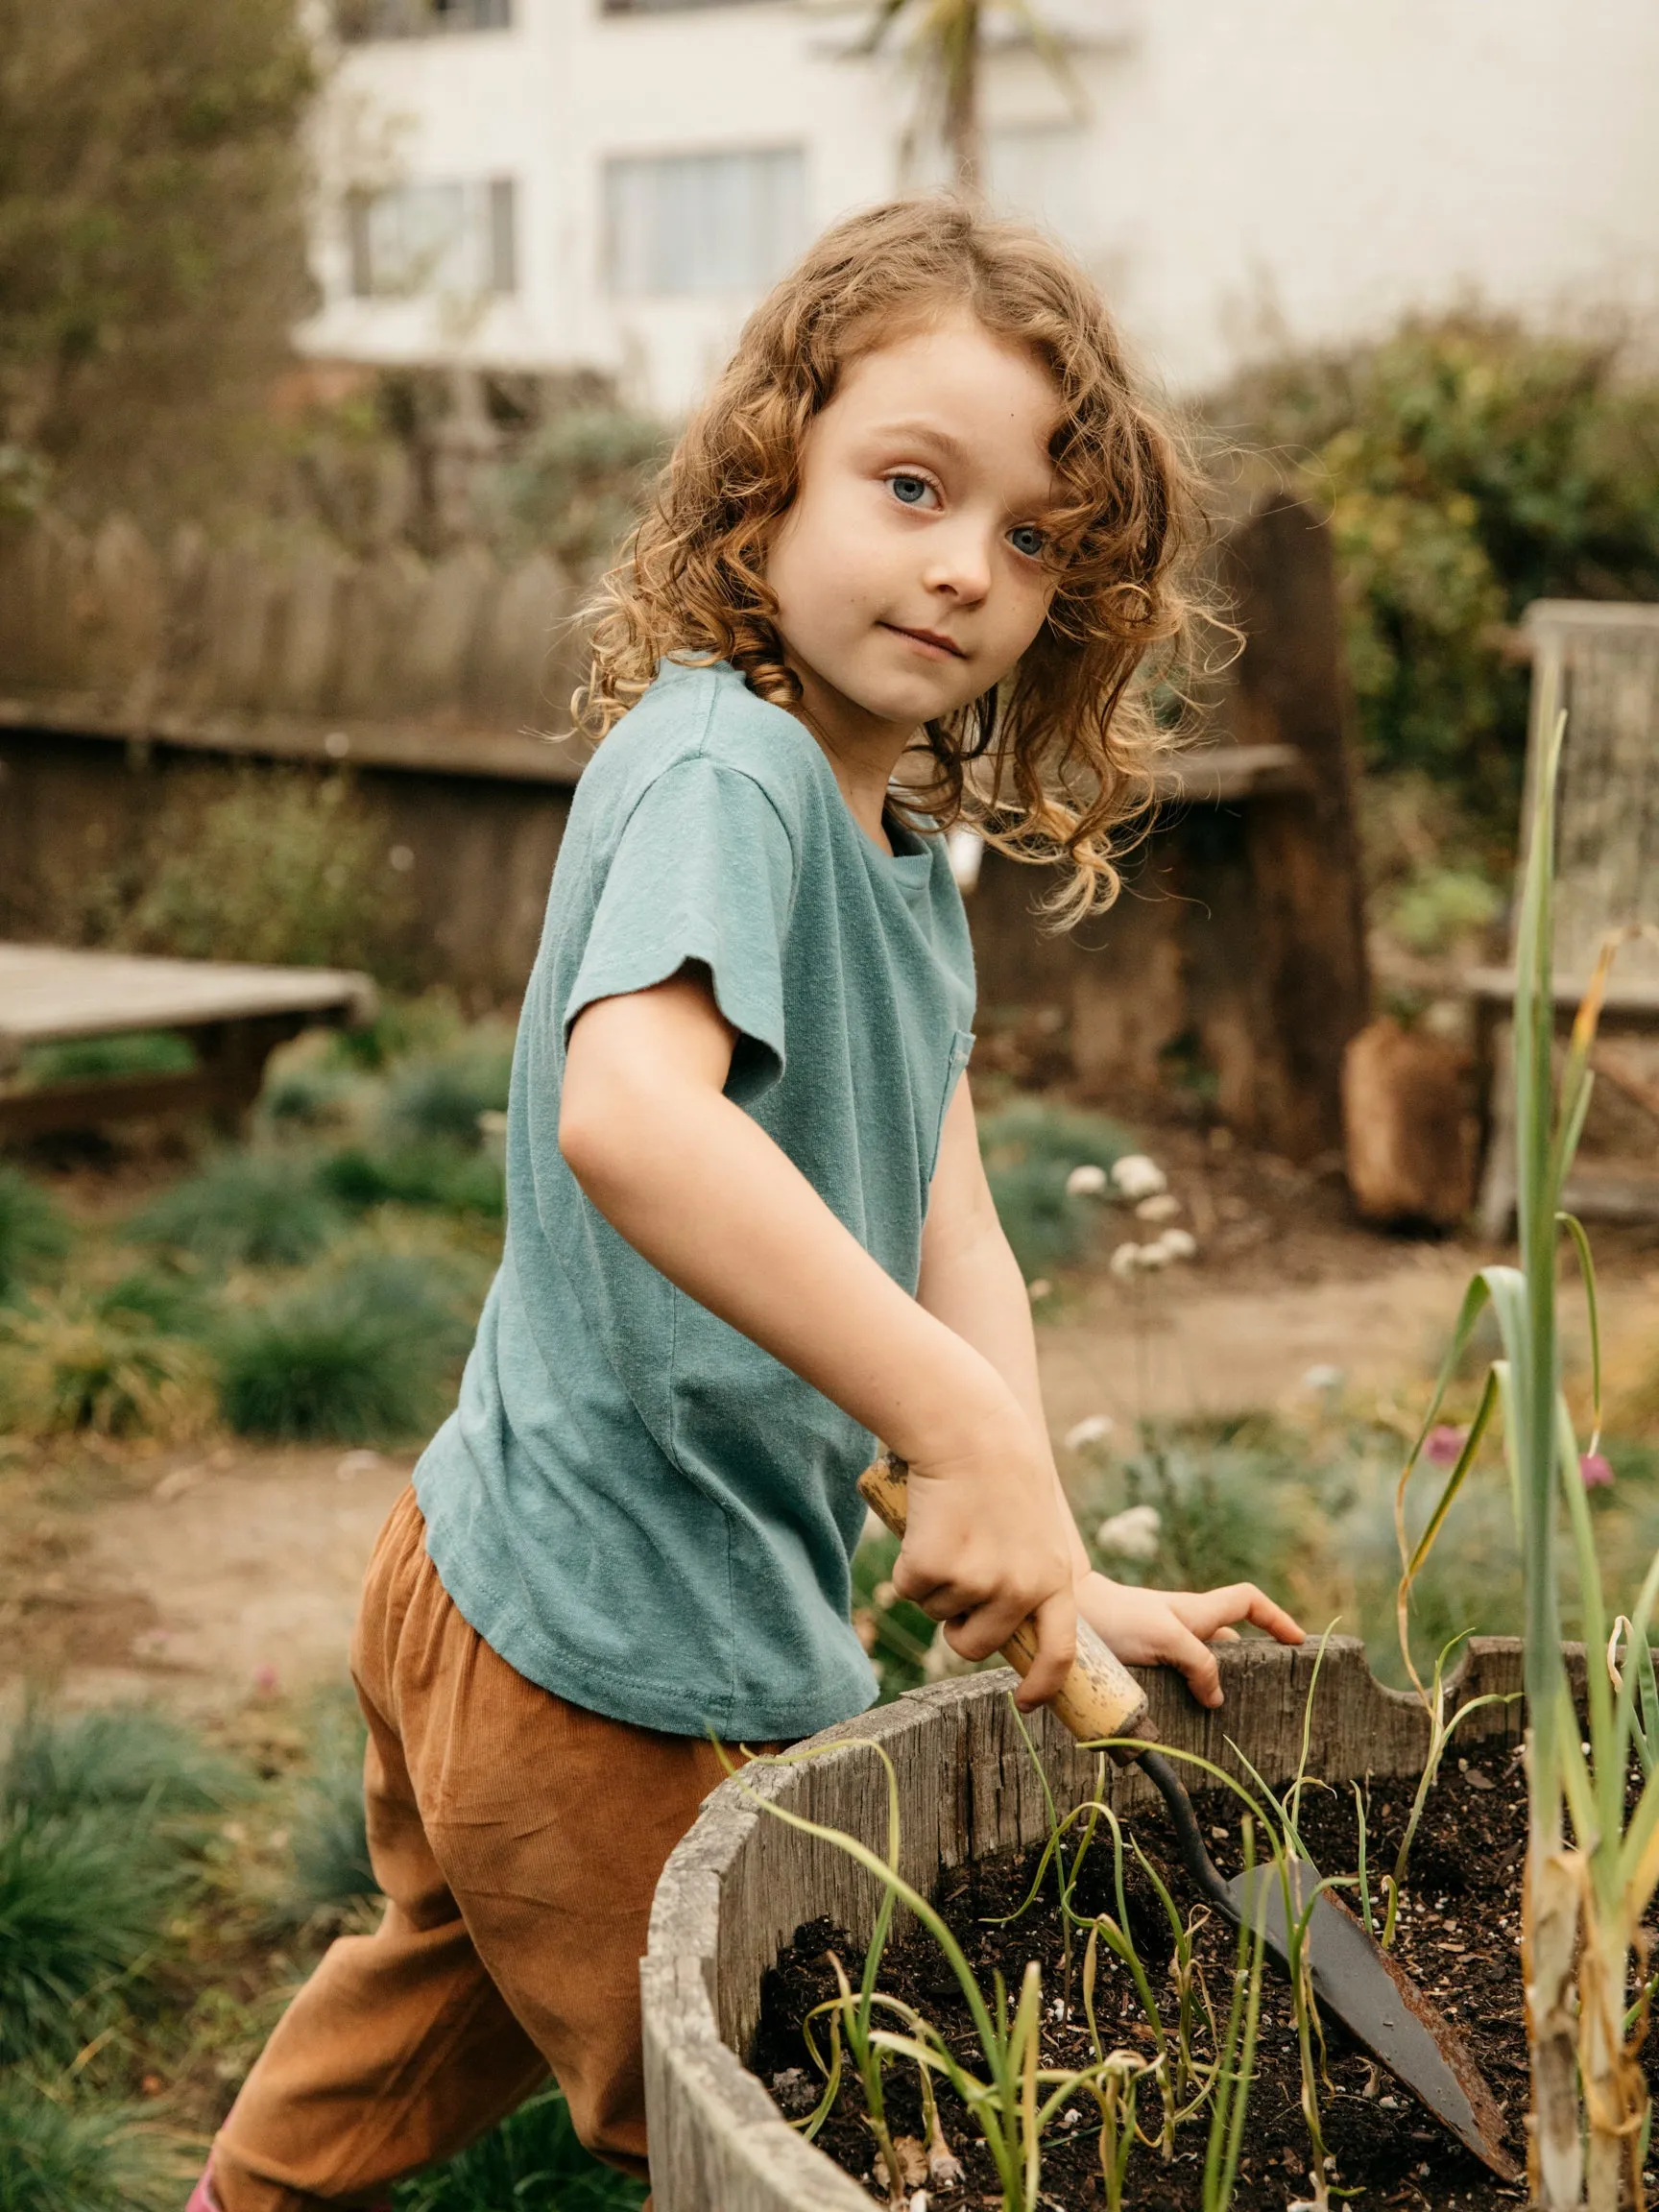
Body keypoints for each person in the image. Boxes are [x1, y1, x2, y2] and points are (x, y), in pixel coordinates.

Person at [190, 197, 1305, 2212]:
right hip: (611, 1640)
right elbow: (636, 1120)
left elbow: (938, 1201)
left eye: (1036, 538)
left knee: (420, 2018)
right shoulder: (730, 770)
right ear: (764, 470)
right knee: (790, 2126)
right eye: (911, 484)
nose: (968, 564)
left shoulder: (892, 850)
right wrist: (952, 1431)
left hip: (532, 1570)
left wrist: (1035, 1533)